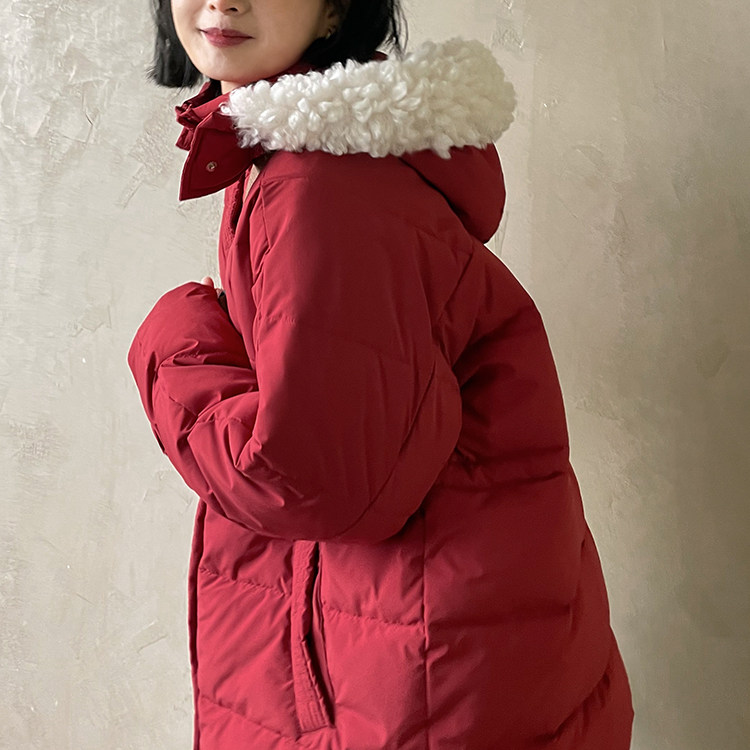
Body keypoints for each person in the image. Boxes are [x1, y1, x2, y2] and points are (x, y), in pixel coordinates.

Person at [127, 0, 635, 748]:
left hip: (413, 673)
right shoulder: (309, 151)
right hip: (437, 645)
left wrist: (175, 339)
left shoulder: (321, 182)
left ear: (337, 6)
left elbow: (311, 480)